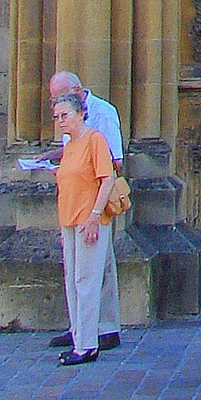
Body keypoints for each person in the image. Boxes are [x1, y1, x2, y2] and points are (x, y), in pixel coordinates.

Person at [40, 70, 123, 353]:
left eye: (64, 115)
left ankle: (88, 343)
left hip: (90, 217)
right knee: (75, 279)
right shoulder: (71, 144)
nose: (59, 121)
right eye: (56, 116)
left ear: (79, 112)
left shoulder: (95, 136)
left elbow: (109, 174)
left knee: (87, 280)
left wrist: (94, 216)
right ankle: (80, 334)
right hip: (71, 217)